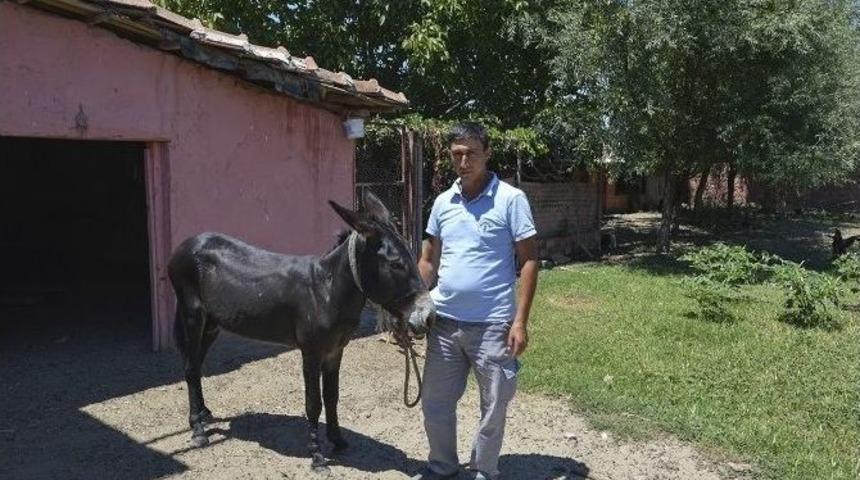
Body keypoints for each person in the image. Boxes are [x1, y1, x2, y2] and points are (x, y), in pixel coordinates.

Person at [412, 122, 539, 480]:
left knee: (494, 406)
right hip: (445, 323)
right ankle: (443, 467)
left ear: (486, 154)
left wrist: (520, 322)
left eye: (471, 153)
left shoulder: (511, 200)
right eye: (457, 154)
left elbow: (529, 259)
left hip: (493, 325)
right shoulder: (442, 203)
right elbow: (427, 261)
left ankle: (483, 471)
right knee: (436, 402)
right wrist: (416, 305)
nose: (464, 161)